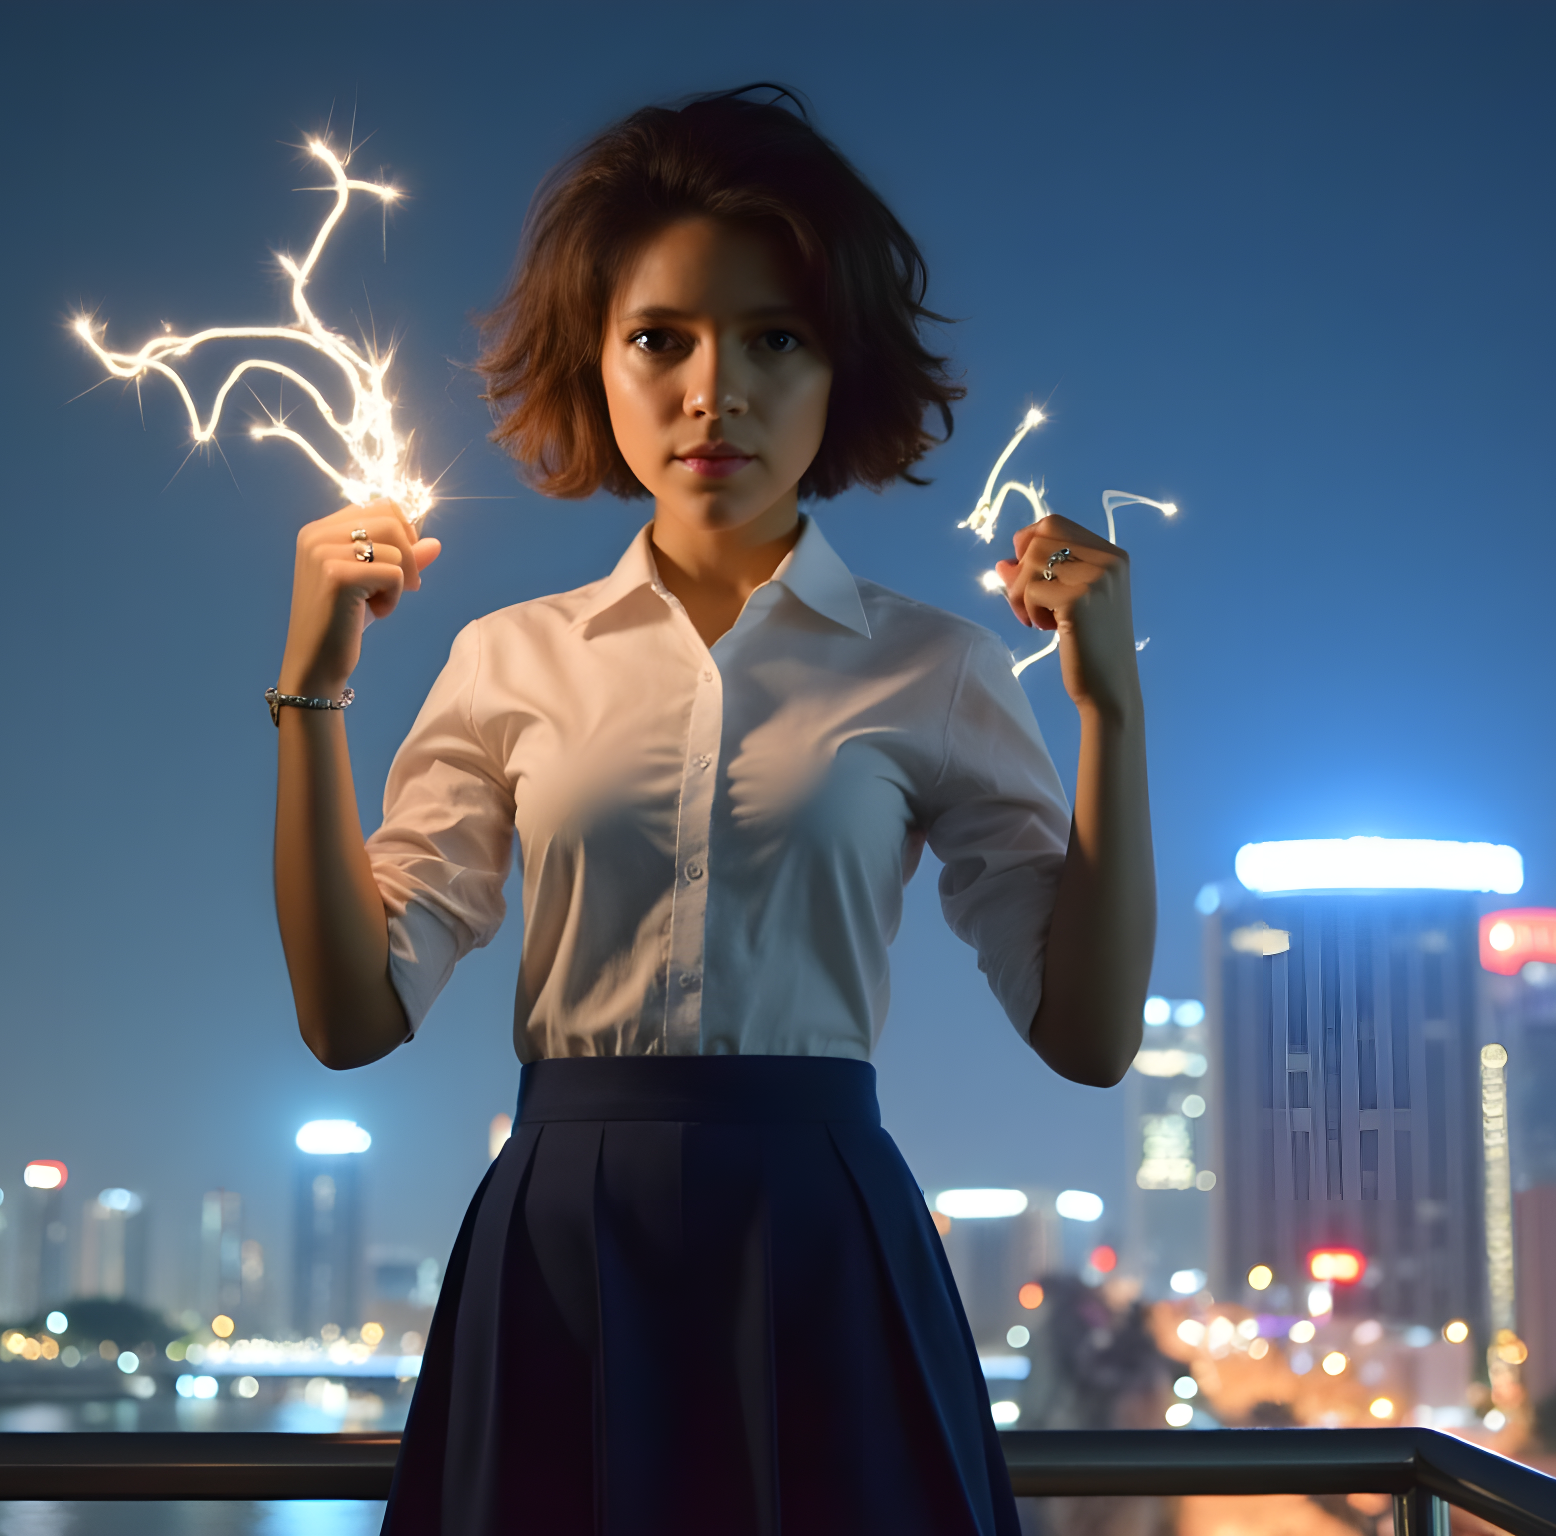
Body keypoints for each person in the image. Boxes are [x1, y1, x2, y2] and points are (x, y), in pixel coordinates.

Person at [270, 87, 1155, 1536]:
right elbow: (353, 1019)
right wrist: (310, 692)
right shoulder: (508, 658)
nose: (713, 392)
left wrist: (1112, 714)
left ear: (839, 370)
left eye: (776, 339)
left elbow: (1089, 1039)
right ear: (596, 364)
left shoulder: (931, 665)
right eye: (660, 339)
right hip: (561, 1240)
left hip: (822, 1237)